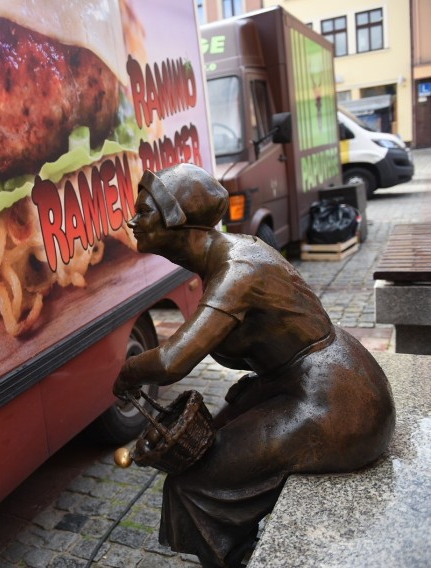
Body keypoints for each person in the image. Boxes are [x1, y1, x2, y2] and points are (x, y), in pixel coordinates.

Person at [114, 164, 395, 568]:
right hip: (316, 380)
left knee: (194, 479)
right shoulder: (227, 254)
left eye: (144, 213)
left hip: (341, 405)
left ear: (179, 224)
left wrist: (128, 373)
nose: (133, 221)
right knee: (218, 434)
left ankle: (235, 558)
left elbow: (172, 361)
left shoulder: (236, 270)